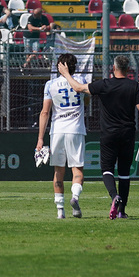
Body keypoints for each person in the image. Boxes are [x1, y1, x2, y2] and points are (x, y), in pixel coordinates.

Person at [58, 53, 139, 219]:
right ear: (128, 69)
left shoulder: (104, 84)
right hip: (128, 133)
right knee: (124, 173)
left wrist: (66, 74)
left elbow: (79, 88)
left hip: (108, 134)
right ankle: (122, 211)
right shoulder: (134, 86)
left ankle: (114, 196)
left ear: (113, 68)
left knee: (107, 169)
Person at [36, 52, 89, 219]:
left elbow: (45, 112)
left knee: (58, 171)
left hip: (57, 131)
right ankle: (75, 197)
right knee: (77, 169)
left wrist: (40, 138)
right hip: (76, 130)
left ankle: (60, 211)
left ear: (59, 66)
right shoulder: (81, 82)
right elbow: (86, 101)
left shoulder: (50, 84)